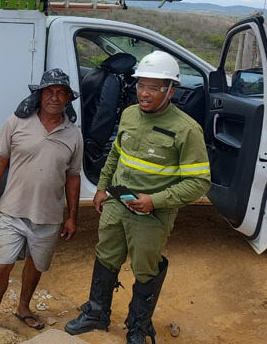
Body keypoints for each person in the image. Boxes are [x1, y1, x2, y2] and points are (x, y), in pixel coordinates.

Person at [65, 51, 211, 344]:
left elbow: (199, 182)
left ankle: (138, 327)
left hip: (152, 213)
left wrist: (154, 201)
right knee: (106, 255)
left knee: (145, 268)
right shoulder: (130, 114)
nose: (144, 93)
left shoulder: (186, 130)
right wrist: (103, 187)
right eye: (141, 85)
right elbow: (117, 153)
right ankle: (96, 313)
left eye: (154, 88)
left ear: (171, 90)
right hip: (117, 202)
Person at [0, 68, 83, 332]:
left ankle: (23, 307)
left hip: (49, 216)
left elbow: (73, 176)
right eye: (49, 92)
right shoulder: (16, 122)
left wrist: (72, 216)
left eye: (61, 93)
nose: (54, 97)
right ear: (39, 96)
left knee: (36, 265)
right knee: (1, 266)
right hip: (12, 211)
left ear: (67, 99)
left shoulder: (73, 134)